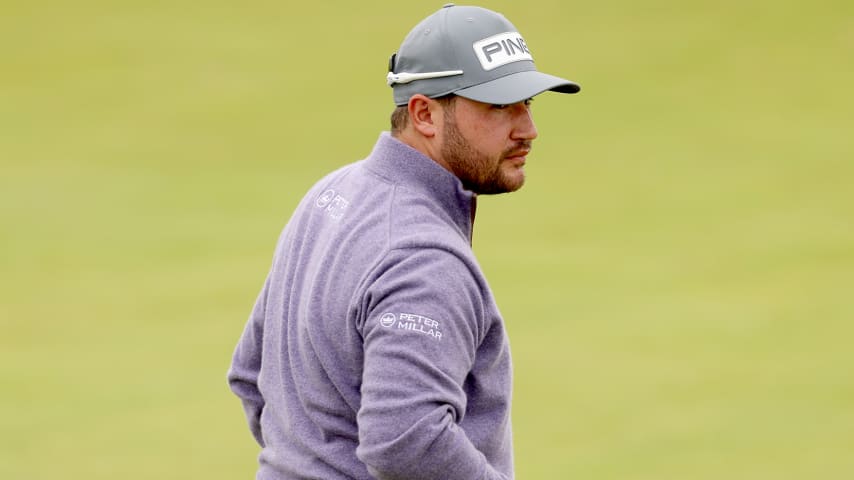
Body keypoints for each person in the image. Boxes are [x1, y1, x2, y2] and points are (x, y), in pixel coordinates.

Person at [227, 4, 580, 479]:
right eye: (499, 106)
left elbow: (252, 377)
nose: (528, 130)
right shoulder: (424, 257)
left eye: (528, 103)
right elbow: (407, 440)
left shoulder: (331, 193)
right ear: (424, 113)